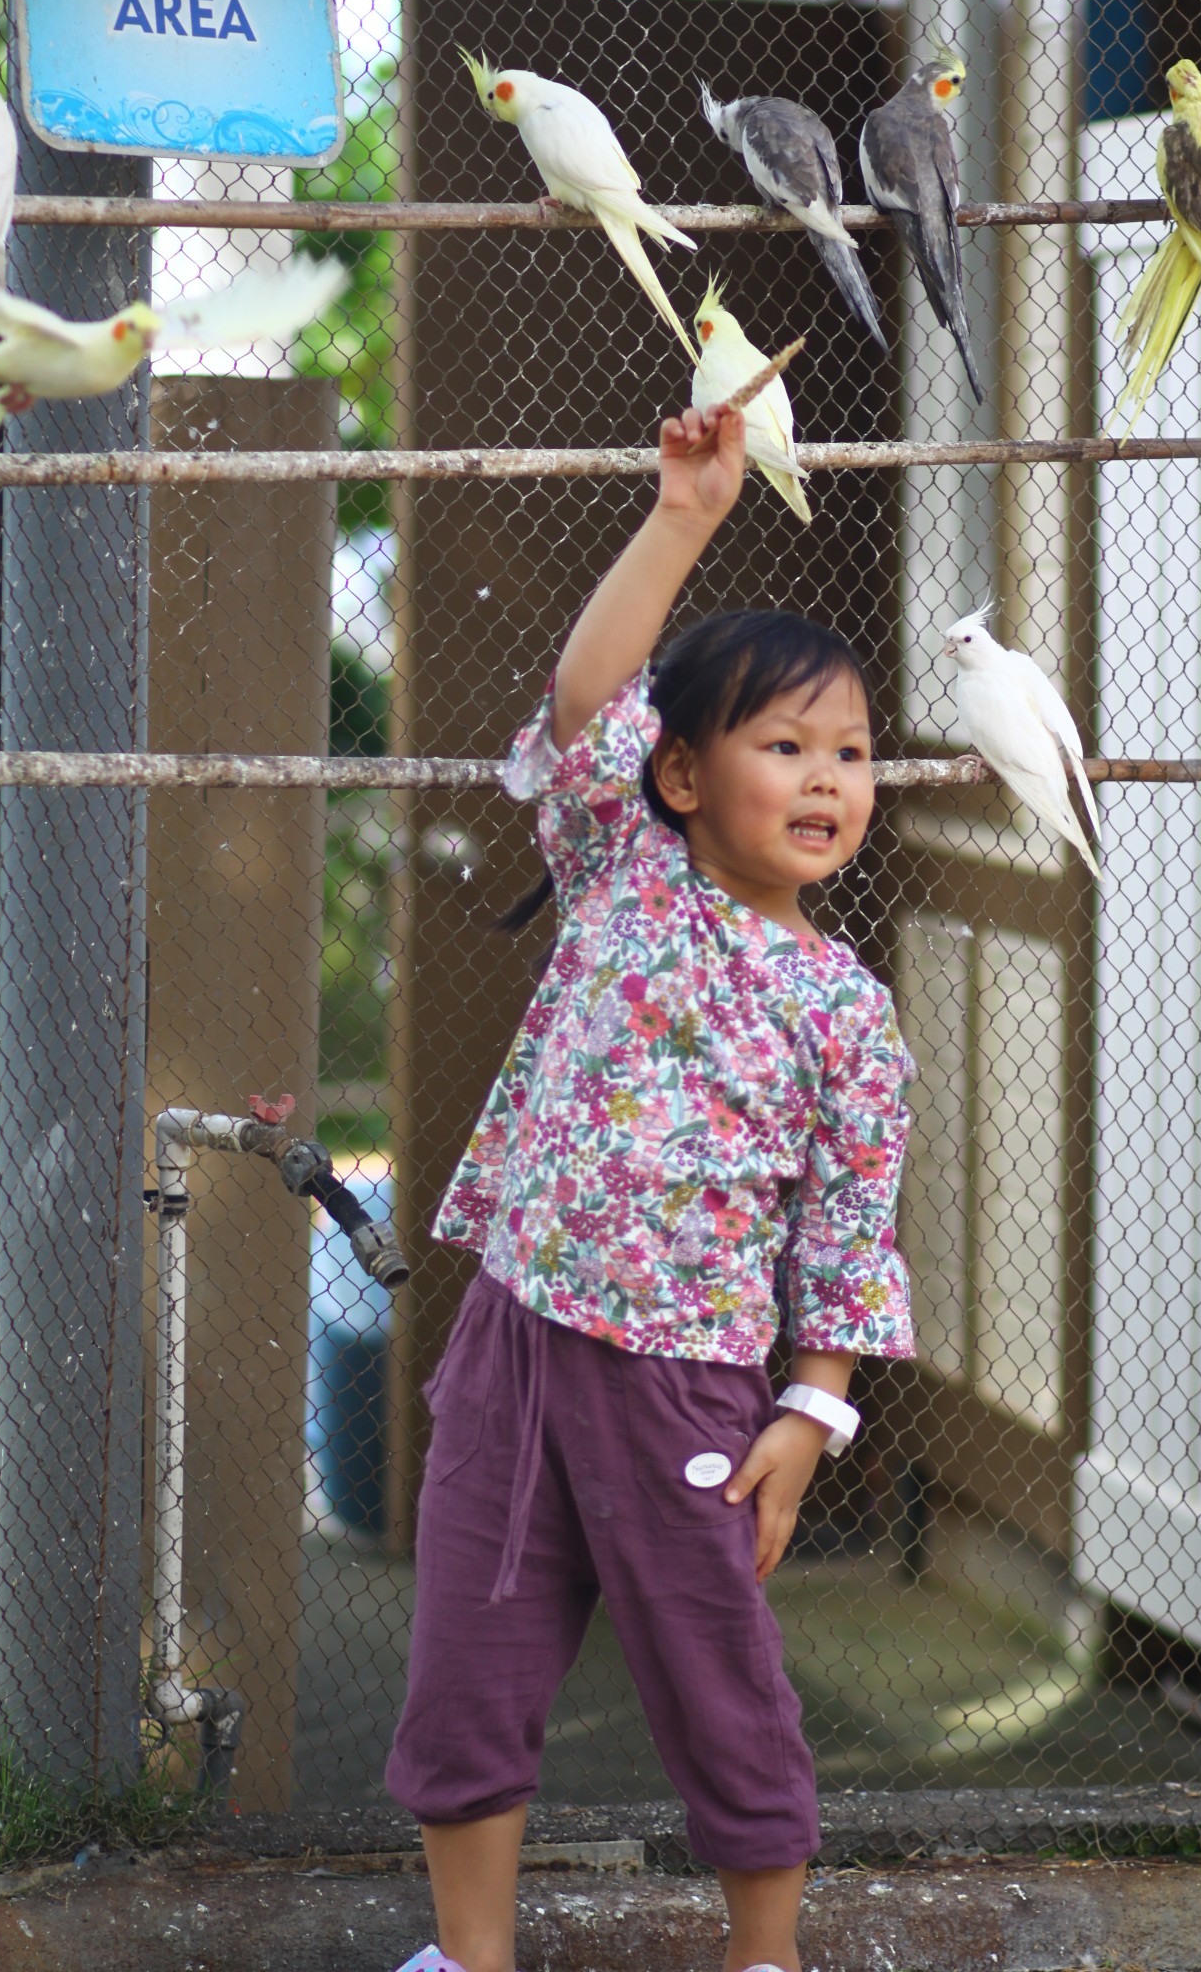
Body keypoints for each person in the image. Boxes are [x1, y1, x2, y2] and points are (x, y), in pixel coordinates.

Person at [386, 402, 916, 1972]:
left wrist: (807, 1418)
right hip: (513, 1343)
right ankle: (464, 1957)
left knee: (717, 1686)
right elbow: (588, 691)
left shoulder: (846, 1013)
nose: (825, 778)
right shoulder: (627, 863)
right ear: (677, 779)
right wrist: (683, 516)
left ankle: (765, 1955)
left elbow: (845, 1237)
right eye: (783, 746)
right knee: (464, 1673)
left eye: (850, 754)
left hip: (686, 1387)